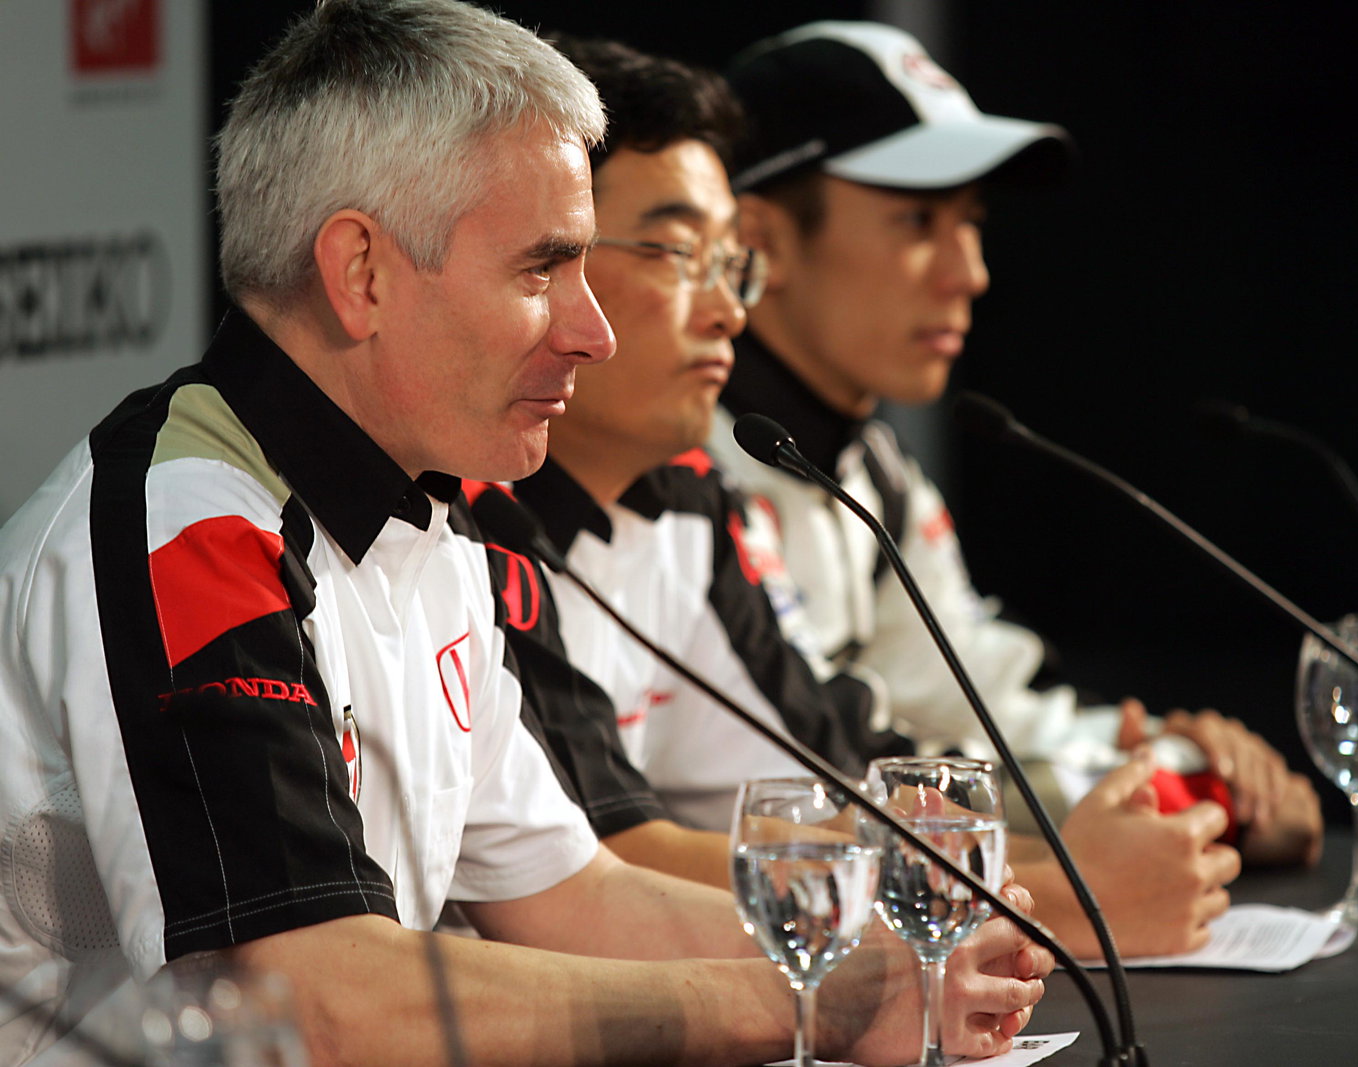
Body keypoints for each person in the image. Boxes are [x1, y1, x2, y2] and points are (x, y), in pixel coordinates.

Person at [0, 4, 1046, 1064]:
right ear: (361, 272)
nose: (591, 332)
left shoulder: (431, 518)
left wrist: (886, 961)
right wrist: (810, 1000)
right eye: (542, 271)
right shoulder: (188, 518)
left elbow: (574, 894)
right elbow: (315, 996)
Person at [470, 32, 1252, 963]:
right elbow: (597, 868)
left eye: (727, 264)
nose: (971, 272)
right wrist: (1054, 896)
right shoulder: (470, 512)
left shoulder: (711, 489)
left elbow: (837, 776)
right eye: (918, 223)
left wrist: (1133, 813)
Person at [707, 21, 1324, 947]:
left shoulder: (869, 466)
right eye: (918, 221)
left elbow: (974, 702)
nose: (972, 274)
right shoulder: (681, 467)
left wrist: (1177, 758)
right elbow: (836, 766)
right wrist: (1185, 789)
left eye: (973, 224)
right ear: (761, 240)